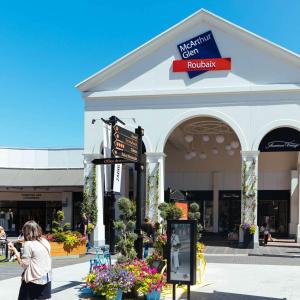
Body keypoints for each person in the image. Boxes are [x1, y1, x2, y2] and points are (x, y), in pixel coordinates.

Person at [8, 220, 52, 300]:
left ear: (26, 232)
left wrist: (15, 252)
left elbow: (24, 264)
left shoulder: (28, 244)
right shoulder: (45, 241)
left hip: (33, 279)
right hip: (46, 277)